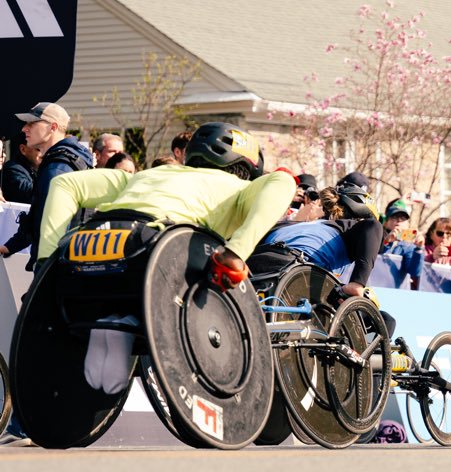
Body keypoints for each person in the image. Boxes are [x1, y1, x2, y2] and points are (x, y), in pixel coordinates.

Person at [34, 122, 295, 393]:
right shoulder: (240, 187)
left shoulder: (147, 174)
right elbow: (283, 182)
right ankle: (122, 325)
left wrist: (46, 259)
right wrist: (238, 251)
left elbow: (64, 184)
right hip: (154, 245)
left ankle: (111, 324)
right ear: (247, 169)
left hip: (90, 243)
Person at [3, 102, 95, 267]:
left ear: (52, 127)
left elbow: (50, 225)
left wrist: (45, 266)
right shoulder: (69, 161)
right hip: (69, 260)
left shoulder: (57, 169)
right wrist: (9, 247)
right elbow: (40, 215)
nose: (24, 129)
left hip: (57, 265)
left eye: (32, 123)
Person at [258, 184, 383, 299]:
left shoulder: (297, 225)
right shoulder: (349, 228)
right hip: (298, 269)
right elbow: (373, 226)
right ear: (360, 218)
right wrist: (357, 283)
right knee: (387, 319)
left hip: (258, 263)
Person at [380, 198, 423, 290]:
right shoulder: (378, 237)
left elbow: (414, 272)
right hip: (374, 287)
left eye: (403, 218)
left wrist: (419, 249)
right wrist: (387, 242)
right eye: (394, 217)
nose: (398, 220)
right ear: (386, 222)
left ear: (408, 224)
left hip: (396, 292)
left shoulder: (410, 247)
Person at [2, 136, 40, 202]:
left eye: (47, 148)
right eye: (38, 149)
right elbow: (32, 193)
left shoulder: (38, 168)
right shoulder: (12, 169)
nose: (45, 153)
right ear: (23, 149)